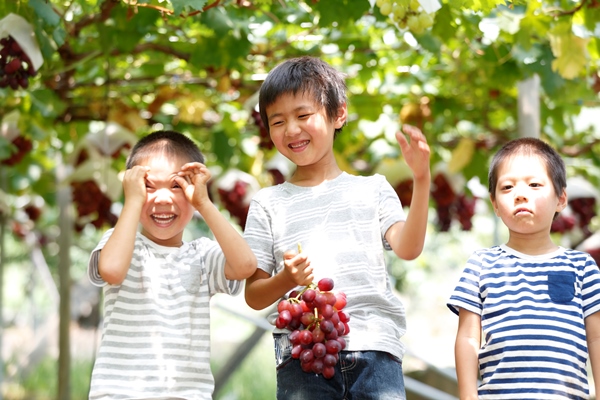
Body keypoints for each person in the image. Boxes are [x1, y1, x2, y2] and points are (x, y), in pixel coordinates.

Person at [243, 56, 431, 399]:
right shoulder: (266, 203)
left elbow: (408, 247)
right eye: (278, 121)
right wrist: (286, 280)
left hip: (376, 348)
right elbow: (253, 295)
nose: (291, 130)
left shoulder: (373, 189)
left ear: (338, 114)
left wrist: (421, 179)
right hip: (302, 354)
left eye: (303, 115)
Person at [87, 130, 257, 399]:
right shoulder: (121, 243)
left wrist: (204, 202)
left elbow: (246, 266)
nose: (163, 198)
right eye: (148, 186)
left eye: (177, 185)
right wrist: (132, 200)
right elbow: (111, 270)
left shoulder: (201, 254)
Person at [447, 137, 600, 400]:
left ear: (561, 198)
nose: (520, 194)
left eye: (534, 184)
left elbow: (596, 338)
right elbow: (468, 339)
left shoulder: (582, 266)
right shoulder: (481, 264)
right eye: (507, 187)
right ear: (494, 204)